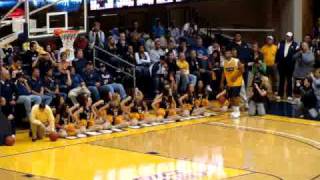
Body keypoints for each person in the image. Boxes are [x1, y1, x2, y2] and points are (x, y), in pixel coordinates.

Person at [220, 48, 244, 119]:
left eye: (228, 53)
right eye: (226, 53)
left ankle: (237, 112)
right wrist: (221, 82)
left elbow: (242, 69)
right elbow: (223, 73)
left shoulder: (236, 61)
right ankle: (234, 111)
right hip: (229, 83)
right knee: (231, 97)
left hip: (237, 82)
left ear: (231, 54)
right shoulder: (224, 62)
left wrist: (235, 76)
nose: (227, 54)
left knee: (235, 97)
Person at [276, 32, 298, 101]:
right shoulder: (281, 43)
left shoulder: (295, 45)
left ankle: (289, 95)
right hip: (281, 64)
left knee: (289, 80)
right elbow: (277, 53)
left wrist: (294, 63)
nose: (288, 37)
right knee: (281, 80)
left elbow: (296, 55)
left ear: (292, 37)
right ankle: (280, 94)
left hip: (290, 65)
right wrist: (276, 62)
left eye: (289, 36)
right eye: (287, 36)